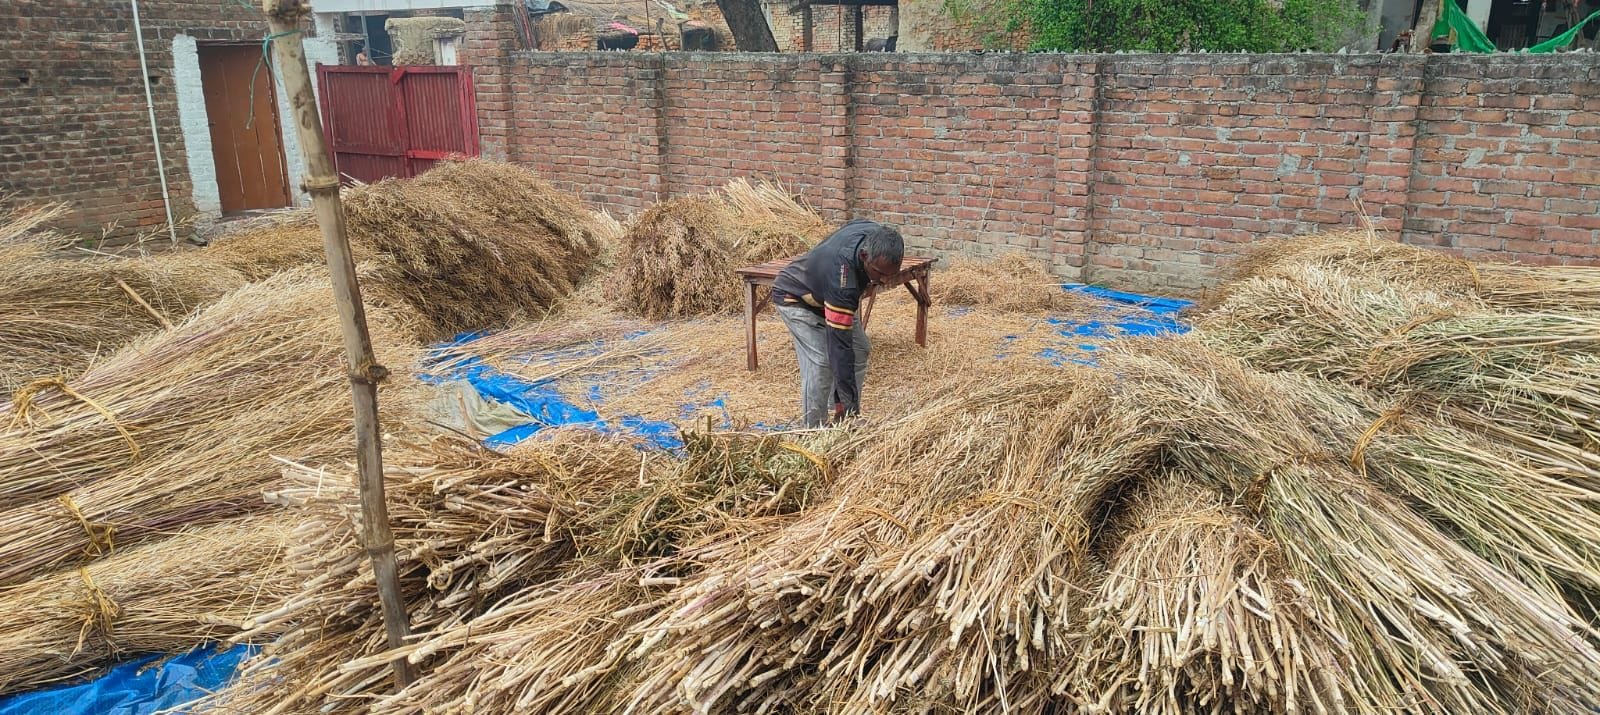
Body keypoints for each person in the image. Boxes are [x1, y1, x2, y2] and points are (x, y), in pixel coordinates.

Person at [770, 219, 904, 427]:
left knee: (860, 348)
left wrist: (844, 405)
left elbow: (851, 225)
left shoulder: (875, 234)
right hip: (796, 297)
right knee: (821, 362)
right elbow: (839, 348)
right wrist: (848, 406)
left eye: (891, 275)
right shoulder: (843, 282)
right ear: (864, 256)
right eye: (880, 273)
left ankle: (841, 418)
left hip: (830, 294)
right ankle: (814, 429)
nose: (885, 281)